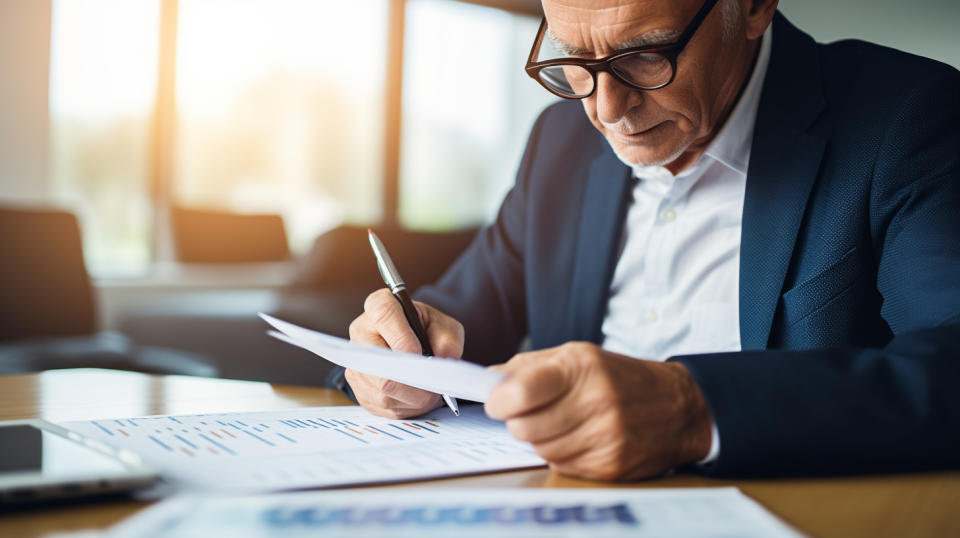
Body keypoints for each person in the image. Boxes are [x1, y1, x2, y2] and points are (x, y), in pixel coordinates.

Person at [335, 0, 960, 479]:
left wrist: (692, 410)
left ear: (754, 7)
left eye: (644, 55)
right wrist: (390, 361)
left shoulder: (907, 118)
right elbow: (450, 329)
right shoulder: (560, 142)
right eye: (570, 57)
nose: (606, 109)